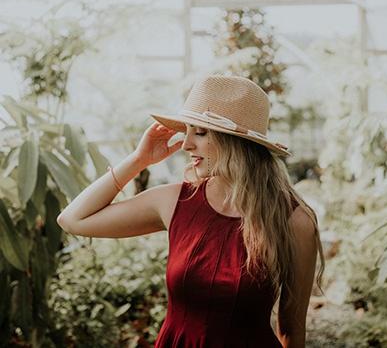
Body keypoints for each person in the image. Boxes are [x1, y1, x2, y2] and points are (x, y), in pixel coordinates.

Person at [57, 74, 325, 347]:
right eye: (187, 131)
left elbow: (292, 329)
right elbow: (72, 219)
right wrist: (139, 160)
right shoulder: (176, 201)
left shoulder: (294, 221)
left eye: (200, 132)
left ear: (235, 142)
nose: (185, 144)